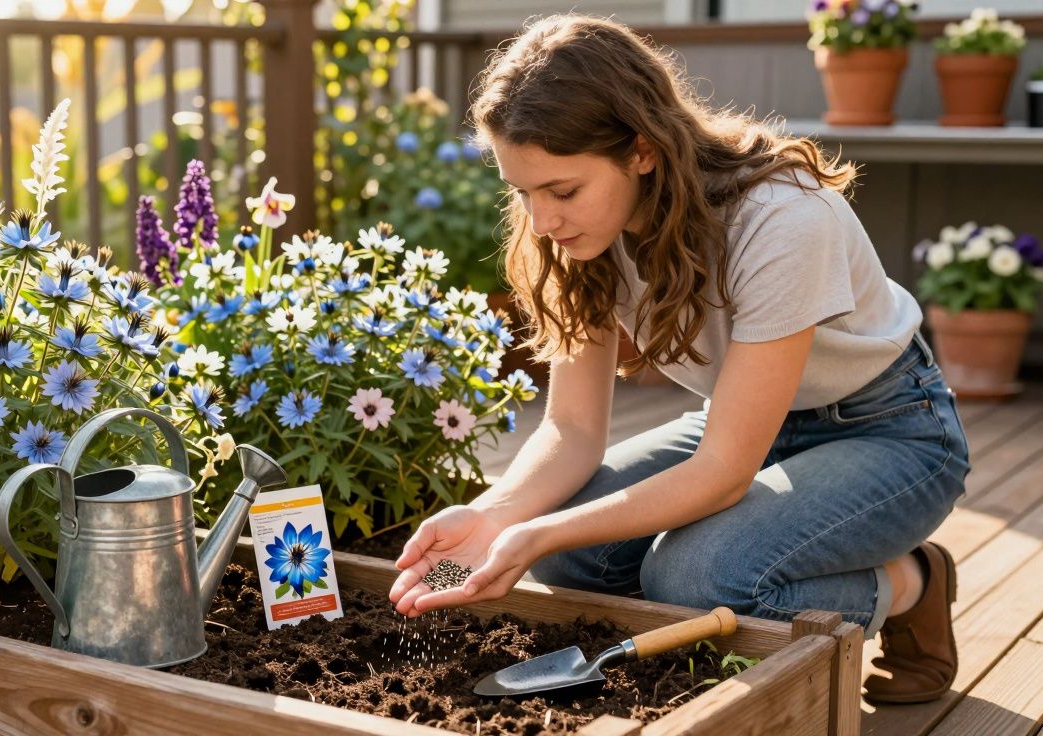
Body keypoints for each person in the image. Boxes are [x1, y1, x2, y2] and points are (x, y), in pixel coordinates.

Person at [387, 15, 970, 705]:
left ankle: (912, 583)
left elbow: (724, 472)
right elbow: (572, 430)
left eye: (562, 191)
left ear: (641, 150)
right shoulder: (579, 237)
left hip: (888, 428)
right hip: (749, 424)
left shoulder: (783, 217)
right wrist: (495, 518)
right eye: (524, 192)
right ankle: (741, 601)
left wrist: (531, 531)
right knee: (571, 553)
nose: (541, 221)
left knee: (696, 577)